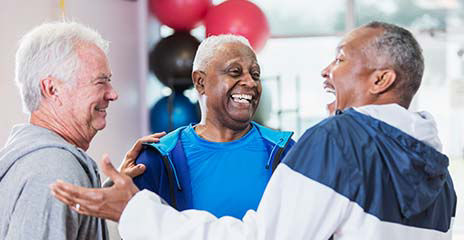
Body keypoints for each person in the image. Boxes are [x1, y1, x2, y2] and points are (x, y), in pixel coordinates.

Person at [51, 21, 457, 240]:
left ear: (381, 79)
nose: (325, 70)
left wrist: (134, 211)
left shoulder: (335, 143)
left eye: (340, 58)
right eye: (234, 72)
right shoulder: (439, 175)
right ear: (199, 83)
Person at [0, 21, 164, 240]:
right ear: (52, 89)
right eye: (100, 82)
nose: (113, 94)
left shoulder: (30, 157)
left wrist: (102, 194)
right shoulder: (54, 170)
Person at [130, 34, 294, 218]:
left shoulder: (286, 151)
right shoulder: (158, 158)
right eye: (235, 72)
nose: (250, 82)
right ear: (201, 82)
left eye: (255, 75)